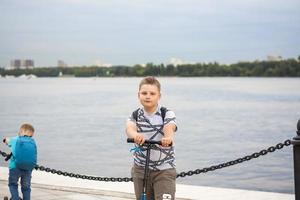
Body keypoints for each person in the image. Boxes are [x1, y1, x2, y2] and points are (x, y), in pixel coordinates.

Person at [126, 76, 177, 200]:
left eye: (152, 93)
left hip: (164, 169)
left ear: (159, 96)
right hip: (141, 169)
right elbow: (129, 129)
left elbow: (170, 127)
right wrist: (135, 135)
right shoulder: (135, 115)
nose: (148, 96)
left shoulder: (167, 113)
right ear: (139, 95)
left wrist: (168, 138)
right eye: (144, 93)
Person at [3, 123, 37, 200]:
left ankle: (15, 198)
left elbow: (7, 140)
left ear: (20, 131)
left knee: (13, 184)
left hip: (15, 167)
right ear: (32, 134)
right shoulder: (32, 142)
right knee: (26, 187)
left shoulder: (15, 139)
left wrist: (5, 140)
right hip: (28, 168)